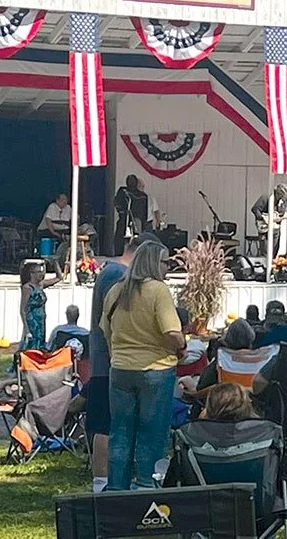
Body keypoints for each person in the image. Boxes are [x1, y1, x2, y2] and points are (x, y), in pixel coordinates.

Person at [100, 240, 186, 490]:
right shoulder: (158, 290)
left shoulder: (116, 291)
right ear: (153, 263)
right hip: (155, 370)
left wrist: (117, 355)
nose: (168, 267)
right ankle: (147, 486)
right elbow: (172, 331)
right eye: (166, 262)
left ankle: (117, 488)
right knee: (152, 433)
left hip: (120, 369)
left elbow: (106, 330)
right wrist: (182, 347)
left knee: (120, 432)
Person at [86, 233, 159, 492]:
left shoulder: (111, 271)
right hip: (110, 361)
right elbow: (117, 320)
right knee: (106, 423)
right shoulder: (117, 275)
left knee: (116, 423)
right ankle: (101, 482)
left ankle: (115, 479)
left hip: (112, 359)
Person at [190, 317, 257, 397]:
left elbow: (202, 386)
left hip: (223, 400)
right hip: (248, 400)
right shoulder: (257, 361)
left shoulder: (223, 361)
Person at [18, 258, 64, 351]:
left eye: (42, 271)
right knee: (32, 343)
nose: (41, 274)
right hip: (32, 320)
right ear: (31, 274)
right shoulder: (27, 288)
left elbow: (59, 278)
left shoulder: (41, 285)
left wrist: (55, 262)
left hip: (41, 319)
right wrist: (26, 328)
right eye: (38, 272)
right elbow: (23, 309)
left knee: (40, 342)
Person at [113, 175, 149, 255]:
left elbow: (116, 202)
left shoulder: (124, 191)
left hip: (131, 219)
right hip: (131, 219)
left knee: (122, 236)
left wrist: (120, 211)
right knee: (124, 236)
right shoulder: (142, 195)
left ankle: (122, 253)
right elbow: (117, 203)